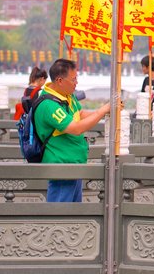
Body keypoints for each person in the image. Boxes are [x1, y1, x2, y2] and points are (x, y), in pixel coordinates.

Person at [36, 58, 114, 202]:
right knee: (60, 215)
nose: (76, 83)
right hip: (62, 167)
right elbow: (76, 128)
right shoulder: (48, 105)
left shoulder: (67, 96)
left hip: (74, 164)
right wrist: (103, 111)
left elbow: (81, 115)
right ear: (59, 80)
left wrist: (107, 112)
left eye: (76, 78)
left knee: (74, 216)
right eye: (73, 79)